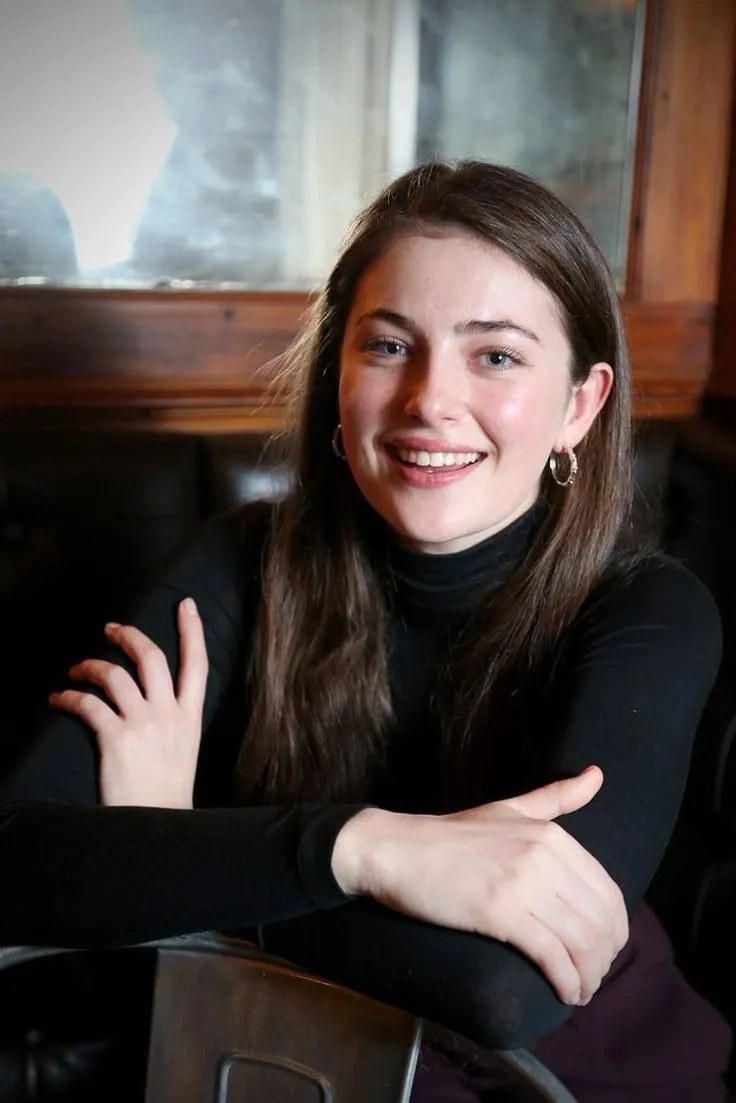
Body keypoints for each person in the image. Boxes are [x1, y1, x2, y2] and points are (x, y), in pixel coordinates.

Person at [0, 160, 731, 1101]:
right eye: (388, 345)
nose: (430, 399)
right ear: (336, 374)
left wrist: (173, 850)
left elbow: (498, 987)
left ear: (580, 404)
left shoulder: (647, 610)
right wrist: (359, 847)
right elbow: (16, 861)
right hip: (285, 1069)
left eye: (496, 356)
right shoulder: (239, 561)